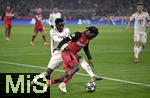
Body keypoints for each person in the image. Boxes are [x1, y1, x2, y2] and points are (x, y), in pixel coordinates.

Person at [31, 19, 102, 88]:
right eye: (60, 25)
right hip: (57, 53)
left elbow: (75, 42)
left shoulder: (67, 30)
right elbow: (58, 39)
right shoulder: (52, 31)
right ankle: (36, 80)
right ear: (56, 25)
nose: (62, 26)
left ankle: (92, 76)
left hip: (68, 52)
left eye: (63, 24)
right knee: (48, 72)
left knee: (79, 62)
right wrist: (61, 44)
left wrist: (89, 58)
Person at [44, 26, 100, 93]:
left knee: (67, 76)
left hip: (72, 54)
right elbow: (65, 39)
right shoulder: (79, 34)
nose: (93, 38)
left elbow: (86, 48)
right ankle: (62, 84)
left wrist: (90, 58)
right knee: (77, 66)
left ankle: (49, 82)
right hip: (67, 52)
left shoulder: (88, 38)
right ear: (89, 32)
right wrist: (58, 48)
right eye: (93, 36)